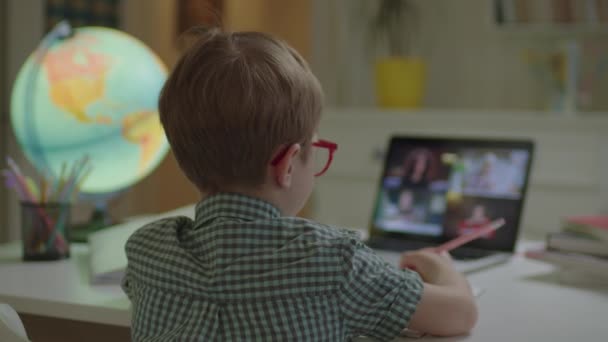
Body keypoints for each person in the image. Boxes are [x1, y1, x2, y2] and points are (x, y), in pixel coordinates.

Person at [121, 28, 477, 341]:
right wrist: (441, 267)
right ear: (288, 163)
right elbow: (459, 314)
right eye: (316, 146)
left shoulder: (147, 251)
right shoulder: (332, 261)